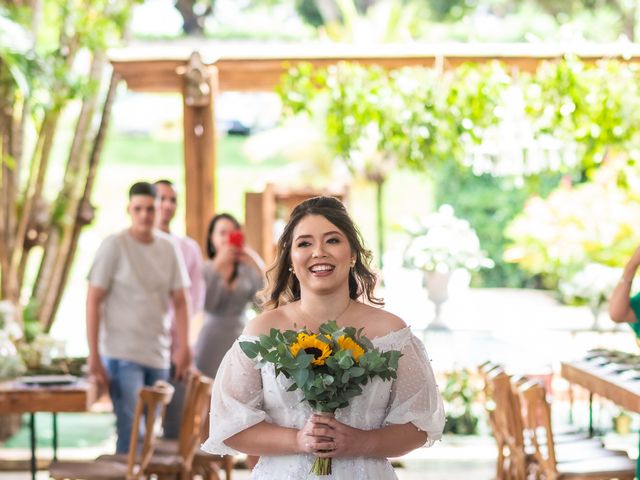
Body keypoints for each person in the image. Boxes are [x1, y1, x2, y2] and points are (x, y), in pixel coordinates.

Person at [201, 196, 445, 479]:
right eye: (304, 243)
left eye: (332, 240)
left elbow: (418, 425)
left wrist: (362, 442)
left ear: (352, 253)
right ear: (291, 258)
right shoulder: (261, 331)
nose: (319, 252)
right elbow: (231, 425)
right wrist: (297, 440)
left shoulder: (392, 333)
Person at [86, 181, 191, 453]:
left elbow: (181, 301)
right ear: (129, 210)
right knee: (131, 431)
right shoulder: (114, 245)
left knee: (149, 434)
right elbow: (93, 299)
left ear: (160, 210)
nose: (145, 214)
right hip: (122, 355)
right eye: (139, 208)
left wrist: (183, 347)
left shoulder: (169, 248)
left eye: (150, 209)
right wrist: (94, 355)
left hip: (158, 355)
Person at [153, 179, 206, 439]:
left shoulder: (188, 249)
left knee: (175, 427)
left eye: (172, 199)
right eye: (162, 198)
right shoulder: (132, 246)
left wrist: (185, 349)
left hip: (179, 351)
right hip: (146, 348)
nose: (167, 205)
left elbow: (195, 305)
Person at [194, 213, 265, 379]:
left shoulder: (247, 270)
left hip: (241, 336)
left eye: (232, 233)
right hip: (211, 339)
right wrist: (217, 266)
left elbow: (264, 302)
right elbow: (205, 304)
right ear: (212, 238)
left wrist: (256, 263)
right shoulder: (204, 269)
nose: (227, 238)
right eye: (222, 233)